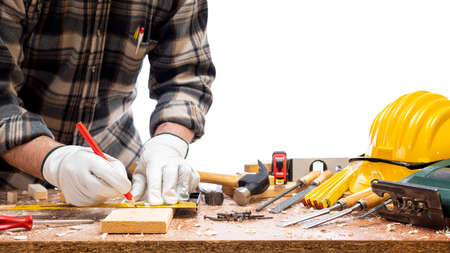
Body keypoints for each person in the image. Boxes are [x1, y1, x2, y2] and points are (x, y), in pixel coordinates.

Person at [0, 0, 215, 206]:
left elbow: (186, 78)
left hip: (115, 164)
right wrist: (56, 162)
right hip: (9, 177)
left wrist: (168, 143)